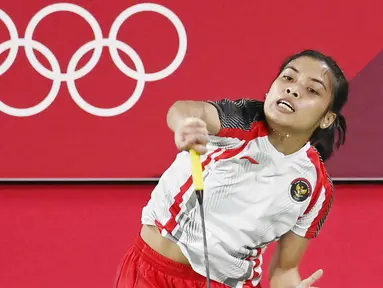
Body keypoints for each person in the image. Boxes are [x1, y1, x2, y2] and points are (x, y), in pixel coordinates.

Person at [115, 49, 348, 288]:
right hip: (152, 273)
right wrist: (185, 125)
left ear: (327, 119)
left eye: (312, 90)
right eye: (288, 77)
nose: (293, 89)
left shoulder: (316, 188)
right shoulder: (242, 120)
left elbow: (284, 270)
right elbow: (188, 110)